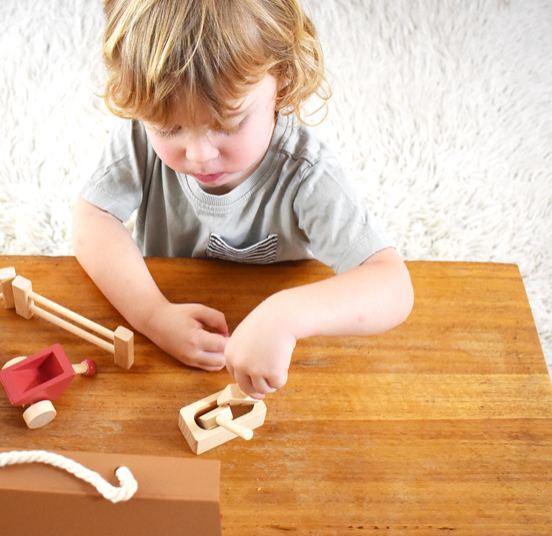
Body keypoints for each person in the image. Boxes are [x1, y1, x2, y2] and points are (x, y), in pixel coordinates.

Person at [71, 0, 413, 399]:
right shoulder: (139, 137)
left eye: (227, 124)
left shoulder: (306, 171)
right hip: (165, 330)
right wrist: (153, 315)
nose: (198, 155)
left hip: (279, 353)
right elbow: (91, 218)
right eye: (169, 127)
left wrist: (286, 316)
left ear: (282, 78)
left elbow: (392, 284)